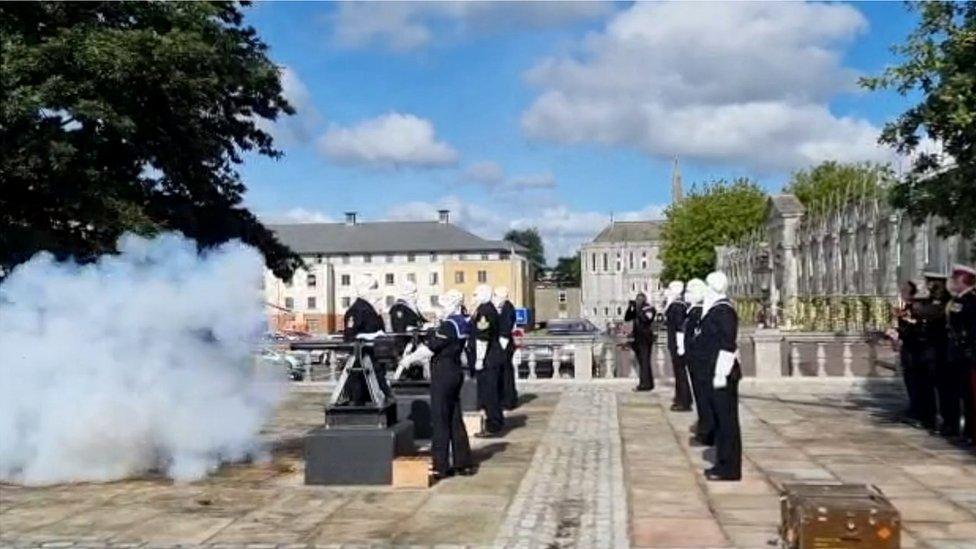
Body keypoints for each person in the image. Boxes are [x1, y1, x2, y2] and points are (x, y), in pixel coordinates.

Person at [426, 289, 475, 478]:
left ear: (452, 304)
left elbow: (431, 348)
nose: (441, 307)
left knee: (440, 419)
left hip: (443, 373)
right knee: (455, 418)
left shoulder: (449, 325)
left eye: (444, 303)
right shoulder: (463, 322)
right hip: (456, 371)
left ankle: (441, 465)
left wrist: (409, 359)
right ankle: (463, 462)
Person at [700, 271, 741, 481]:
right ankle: (722, 461)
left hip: (722, 374)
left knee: (727, 421)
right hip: (715, 371)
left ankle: (729, 467)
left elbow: (727, 344)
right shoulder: (716, 309)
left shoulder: (723, 311)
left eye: (708, 285)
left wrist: (720, 373)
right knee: (720, 420)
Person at [892, 280, 936, 428]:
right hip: (909, 352)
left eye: (905, 291)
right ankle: (914, 409)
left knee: (923, 386)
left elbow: (920, 331)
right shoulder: (905, 309)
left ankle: (926, 416)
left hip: (921, 353)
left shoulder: (921, 309)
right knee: (911, 383)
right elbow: (904, 329)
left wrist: (901, 332)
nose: (902, 293)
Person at [916, 272, 955, 436]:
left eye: (932, 283)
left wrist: (919, 309)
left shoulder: (945, 301)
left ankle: (949, 423)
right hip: (930, 351)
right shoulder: (931, 300)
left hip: (941, 352)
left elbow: (931, 313)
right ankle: (931, 418)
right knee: (929, 387)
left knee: (945, 390)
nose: (929, 286)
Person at [342, 275, 388, 405]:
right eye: (372, 288)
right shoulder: (356, 310)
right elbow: (350, 336)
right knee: (359, 394)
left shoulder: (371, 310)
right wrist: (369, 337)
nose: (375, 291)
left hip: (374, 359)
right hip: (362, 361)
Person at [470, 284, 505, 436]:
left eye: (476, 294)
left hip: (489, 358)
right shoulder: (488, 308)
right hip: (493, 356)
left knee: (489, 392)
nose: (474, 296)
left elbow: (483, 337)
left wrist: (479, 359)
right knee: (491, 391)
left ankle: (493, 425)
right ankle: (495, 421)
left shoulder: (484, 311)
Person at [681, 278, 713, 446]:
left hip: (700, 362)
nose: (687, 295)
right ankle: (705, 428)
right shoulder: (693, 312)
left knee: (703, 397)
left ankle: (707, 431)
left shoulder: (698, 313)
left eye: (690, 291)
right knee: (700, 396)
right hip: (695, 360)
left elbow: (697, 338)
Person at [947, 264, 976, 444]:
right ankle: (966, 431)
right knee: (961, 393)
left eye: (955, 280)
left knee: (969, 395)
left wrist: (967, 348)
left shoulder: (971, 301)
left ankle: (971, 433)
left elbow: (972, 329)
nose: (953, 283)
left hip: (966, 354)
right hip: (958, 352)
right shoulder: (958, 300)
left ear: (963, 280)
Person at [390, 281, 431, 380]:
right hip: (406, 344)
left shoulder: (412, 307)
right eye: (413, 292)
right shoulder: (399, 308)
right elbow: (400, 329)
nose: (416, 295)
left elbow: (421, 321)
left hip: (415, 342)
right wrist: (419, 328)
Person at [664, 281, 691, 411]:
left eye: (669, 288)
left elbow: (680, 327)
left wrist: (680, 346)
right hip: (674, 343)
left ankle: (684, 400)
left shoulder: (677, 307)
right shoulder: (677, 306)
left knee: (680, 373)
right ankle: (680, 397)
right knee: (679, 373)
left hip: (677, 344)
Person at [625, 292, 657, 391]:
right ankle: (649, 383)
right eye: (637, 299)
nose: (638, 301)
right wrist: (630, 308)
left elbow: (647, 319)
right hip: (637, 338)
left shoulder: (649, 309)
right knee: (642, 362)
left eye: (640, 299)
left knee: (645, 361)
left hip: (645, 339)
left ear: (644, 300)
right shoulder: (637, 309)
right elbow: (627, 318)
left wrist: (638, 310)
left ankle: (644, 385)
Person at [494, 286, 519, 410]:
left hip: (505, 345)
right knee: (505, 373)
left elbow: (506, 329)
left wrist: (500, 348)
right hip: (505, 344)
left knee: (506, 373)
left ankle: (508, 400)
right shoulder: (505, 308)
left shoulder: (508, 308)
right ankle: (506, 398)